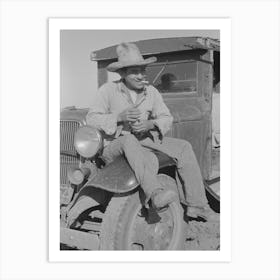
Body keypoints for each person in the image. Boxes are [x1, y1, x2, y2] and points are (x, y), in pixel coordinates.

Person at [86, 42, 219, 221]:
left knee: (184, 147)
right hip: (115, 145)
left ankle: (197, 205)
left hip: (143, 140)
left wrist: (150, 124)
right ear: (123, 73)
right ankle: (155, 193)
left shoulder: (152, 92)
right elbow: (92, 118)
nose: (141, 76)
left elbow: (166, 117)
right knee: (128, 141)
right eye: (135, 71)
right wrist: (119, 117)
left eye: (143, 70)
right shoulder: (107, 91)